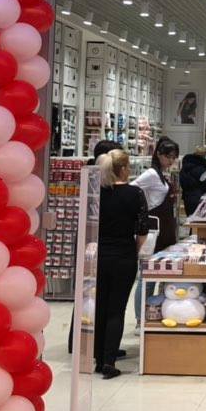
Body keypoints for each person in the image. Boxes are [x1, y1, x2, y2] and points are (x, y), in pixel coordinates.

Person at [93, 149, 149, 378]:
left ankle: (97, 358)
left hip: (98, 256)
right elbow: (143, 229)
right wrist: (134, 249)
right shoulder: (135, 194)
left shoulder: (97, 193)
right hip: (124, 255)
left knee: (99, 307)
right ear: (124, 169)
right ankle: (109, 360)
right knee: (116, 309)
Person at [134, 136, 181, 252]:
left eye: (174, 157)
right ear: (159, 154)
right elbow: (132, 188)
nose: (171, 161)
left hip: (165, 224)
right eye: (168, 157)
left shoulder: (161, 174)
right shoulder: (152, 173)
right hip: (156, 224)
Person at [179, 145, 206, 215]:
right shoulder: (201, 168)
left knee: (190, 217)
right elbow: (205, 182)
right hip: (198, 197)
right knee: (197, 219)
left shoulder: (186, 164)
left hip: (187, 197)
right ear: (205, 154)